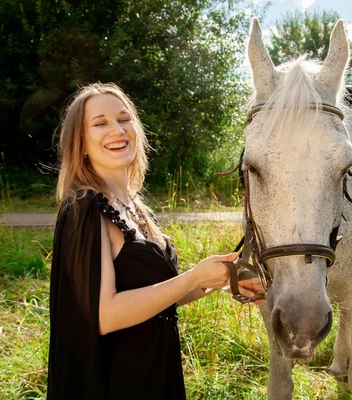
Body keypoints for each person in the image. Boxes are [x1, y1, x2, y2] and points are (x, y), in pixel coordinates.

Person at [47, 82, 262, 399]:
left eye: (123, 118)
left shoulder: (135, 205)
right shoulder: (85, 208)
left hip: (156, 367)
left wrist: (223, 280)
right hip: (117, 379)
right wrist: (193, 276)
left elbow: (158, 300)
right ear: (80, 143)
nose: (117, 130)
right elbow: (106, 316)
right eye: (100, 123)